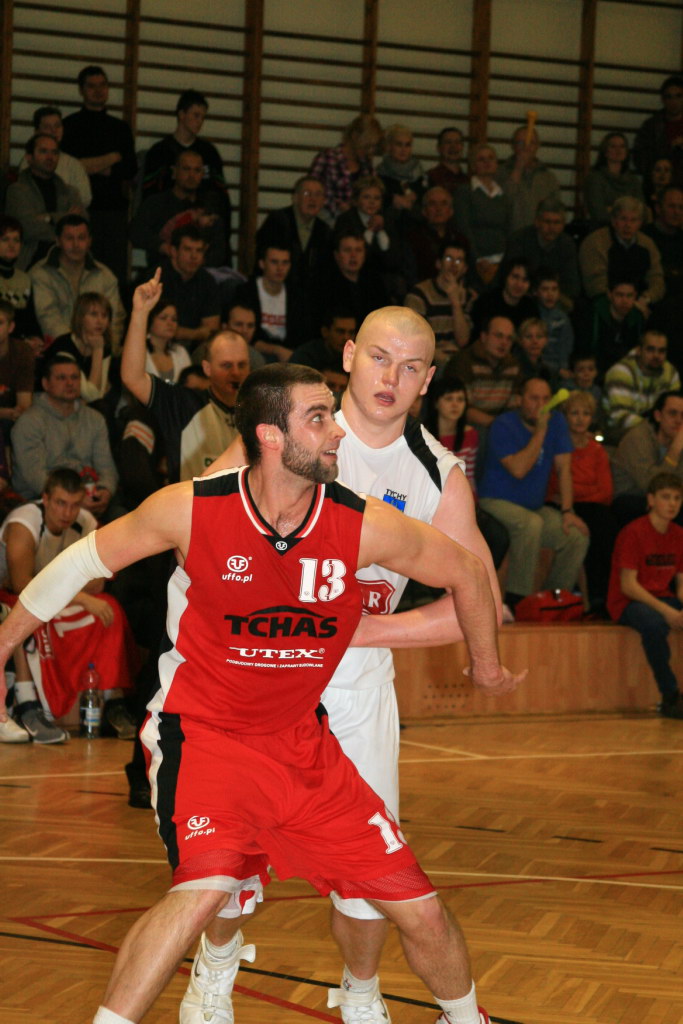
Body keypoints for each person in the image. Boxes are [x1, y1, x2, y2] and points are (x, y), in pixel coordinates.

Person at [0, 359, 522, 1024]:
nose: (337, 430)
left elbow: (468, 572)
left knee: (420, 908)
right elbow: (78, 562)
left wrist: (486, 666)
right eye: (319, 417)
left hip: (303, 744)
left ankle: (465, 1017)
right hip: (203, 736)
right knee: (205, 890)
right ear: (271, 436)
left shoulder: (361, 524)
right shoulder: (192, 509)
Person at [199, 304, 512, 1024]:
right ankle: (214, 971)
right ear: (347, 355)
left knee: (370, 873)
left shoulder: (437, 474)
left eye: (409, 366)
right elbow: (197, 528)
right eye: (378, 357)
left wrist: (365, 632)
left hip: (355, 685)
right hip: (256, 676)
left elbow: (480, 604)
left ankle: (361, 993)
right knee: (229, 856)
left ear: (428, 380)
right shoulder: (284, 427)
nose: (390, 377)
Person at [0, 467, 136, 742]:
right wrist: (79, 595)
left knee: (109, 608)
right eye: (61, 503)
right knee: (27, 612)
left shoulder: (85, 522)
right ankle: (29, 703)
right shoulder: (24, 522)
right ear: (45, 499)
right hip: (13, 596)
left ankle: (113, 700)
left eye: (74, 505)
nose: (67, 513)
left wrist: (75, 591)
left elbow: (98, 582)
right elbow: (21, 584)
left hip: (55, 597)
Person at [121, 268, 249, 481]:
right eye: (226, 366)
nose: (235, 373)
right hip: (191, 502)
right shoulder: (183, 404)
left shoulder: (259, 413)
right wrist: (140, 313)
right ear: (207, 369)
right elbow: (132, 378)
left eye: (242, 365)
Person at [478, 376, 590, 608]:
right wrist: (540, 432)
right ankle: (518, 601)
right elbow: (519, 470)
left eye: (546, 399)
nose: (541, 405)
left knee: (575, 535)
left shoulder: (557, 421)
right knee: (531, 525)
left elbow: (564, 469)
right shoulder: (503, 425)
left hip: (533, 507)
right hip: (495, 501)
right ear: (519, 399)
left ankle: (555, 600)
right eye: (534, 398)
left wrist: (568, 511)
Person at [607, 472, 683, 719]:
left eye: (677, 498)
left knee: (661, 617)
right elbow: (628, 585)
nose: (672, 504)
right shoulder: (634, 532)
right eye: (665, 497)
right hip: (629, 602)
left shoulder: (679, 534)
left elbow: (681, 584)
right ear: (651, 500)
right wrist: (668, 612)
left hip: (662, 597)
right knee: (654, 624)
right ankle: (670, 695)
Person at [11, 354, 118, 516]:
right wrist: (74, 500)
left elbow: (106, 466)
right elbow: (35, 477)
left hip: (88, 494)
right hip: (41, 500)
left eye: (74, 377)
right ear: (45, 384)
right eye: (61, 378)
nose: (69, 383)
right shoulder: (29, 422)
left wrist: (105, 490)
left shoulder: (95, 419)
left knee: (123, 515)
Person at [60, 65, 137, 284]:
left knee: (113, 274)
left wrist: (91, 165)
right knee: (77, 271)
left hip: (113, 211)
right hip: (79, 210)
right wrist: (112, 157)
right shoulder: (69, 126)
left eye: (103, 85)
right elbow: (69, 166)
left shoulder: (120, 128)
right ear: (81, 90)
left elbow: (130, 169)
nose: (98, 91)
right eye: (92, 86)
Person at [546, 390, 618, 613]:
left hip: (590, 506)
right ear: (565, 416)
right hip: (564, 507)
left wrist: (574, 491)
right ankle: (577, 597)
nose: (580, 419)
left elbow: (606, 493)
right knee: (586, 528)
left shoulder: (597, 450)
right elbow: (554, 485)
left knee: (606, 527)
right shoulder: (557, 445)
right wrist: (581, 492)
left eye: (585, 414)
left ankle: (601, 597)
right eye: (574, 413)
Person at [141, 89, 231, 262]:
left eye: (203, 117)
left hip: (203, 236)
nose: (200, 121)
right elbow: (148, 197)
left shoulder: (209, 153)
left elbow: (222, 199)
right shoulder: (159, 152)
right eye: (196, 115)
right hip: (168, 235)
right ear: (181, 115)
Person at [29, 214, 125, 347]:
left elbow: (114, 319)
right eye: (69, 238)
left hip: (99, 349)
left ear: (89, 241)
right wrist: (75, 347)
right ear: (58, 240)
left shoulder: (105, 276)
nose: (76, 245)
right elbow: (48, 318)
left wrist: (105, 349)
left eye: (81, 238)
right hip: (58, 350)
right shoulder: (40, 274)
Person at [129, 149, 227, 269]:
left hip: (200, 273)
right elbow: (136, 232)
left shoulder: (210, 206)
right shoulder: (156, 203)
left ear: (202, 174)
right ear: (174, 172)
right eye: (186, 169)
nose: (191, 175)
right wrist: (162, 246)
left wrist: (195, 263)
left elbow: (218, 251)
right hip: (162, 270)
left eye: (197, 170)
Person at [5, 133, 83, 269]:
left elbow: (82, 225)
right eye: (43, 151)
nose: (50, 157)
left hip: (67, 262)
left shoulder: (70, 192)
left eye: (54, 152)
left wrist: (48, 218)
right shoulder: (17, 190)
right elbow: (27, 228)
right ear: (29, 157)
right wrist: (64, 222)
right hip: (30, 262)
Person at [578, 196, 665, 312]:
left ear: (640, 223)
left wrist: (646, 298)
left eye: (633, 220)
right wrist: (622, 302)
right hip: (604, 302)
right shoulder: (595, 242)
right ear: (614, 221)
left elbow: (656, 279)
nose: (628, 225)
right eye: (623, 219)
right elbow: (595, 284)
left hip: (641, 302)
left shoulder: (647, 244)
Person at [611, 390, 683, 526]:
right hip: (632, 498)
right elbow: (651, 485)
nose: (679, 421)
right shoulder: (637, 438)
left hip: (665, 499)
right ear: (658, 416)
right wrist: (674, 451)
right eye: (672, 413)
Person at [255, 176, 332, 291]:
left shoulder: (324, 231)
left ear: (323, 201)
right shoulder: (277, 221)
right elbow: (263, 263)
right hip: (277, 290)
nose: (313, 199)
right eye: (307, 193)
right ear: (295, 198)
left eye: (318, 194)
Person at [444, 315, 521, 430]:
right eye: (499, 336)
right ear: (484, 337)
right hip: (465, 426)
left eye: (509, 338)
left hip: (500, 425)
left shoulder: (513, 365)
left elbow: (514, 405)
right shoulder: (463, 362)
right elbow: (461, 408)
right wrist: (498, 425)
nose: (504, 343)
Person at [603, 330, 680, 443]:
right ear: (639, 350)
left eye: (661, 351)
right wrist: (657, 428)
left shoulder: (670, 373)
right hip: (618, 435)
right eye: (650, 349)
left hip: (658, 432)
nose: (656, 355)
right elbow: (620, 416)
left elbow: (677, 409)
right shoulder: (621, 372)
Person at [503, 198, 581, 306]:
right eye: (547, 222)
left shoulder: (567, 244)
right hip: (522, 297)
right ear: (537, 222)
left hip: (555, 300)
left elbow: (571, 284)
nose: (552, 227)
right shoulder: (519, 240)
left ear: (563, 225)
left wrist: (551, 295)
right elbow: (509, 278)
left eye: (557, 222)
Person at [404, 241, 473, 363]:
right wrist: (436, 354)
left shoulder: (467, 297)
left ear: (465, 268)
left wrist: (455, 302)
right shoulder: (419, 294)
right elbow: (412, 339)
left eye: (459, 261)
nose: (453, 265)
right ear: (438, 263)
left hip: (456, 358)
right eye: (448, 258)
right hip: (427, 357)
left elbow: (463, 341)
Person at [454, 144, 512, 286]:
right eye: (481, 159)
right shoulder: (465, 192)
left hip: (501, 260)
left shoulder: (503, 195)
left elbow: (508, 229)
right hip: (476, 261)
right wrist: (477, 259)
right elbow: (463, 227)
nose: (487, 162)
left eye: (491, 158)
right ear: (473, 165)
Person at [156, 224, 221, 350]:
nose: (194, 256)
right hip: (159, 346)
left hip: (197, 348)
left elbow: (211, 330)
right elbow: (157, 328)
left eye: (199, 250)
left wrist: (180, 332)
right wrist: (197, 333)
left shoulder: (208, 281)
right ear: (173, 251)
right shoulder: (156, 279)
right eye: (187, 249)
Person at [309, 114, 383, 223]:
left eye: (373, 147)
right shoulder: (327, 158)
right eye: (367, 146)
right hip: (328, 218)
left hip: (358, 221)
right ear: (354, 136)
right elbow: (312, 192)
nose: (370, 151)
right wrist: (338, 206)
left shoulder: (367, 166)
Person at [19, 106, 92, 208]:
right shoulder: (31, 160)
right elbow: (25, 196)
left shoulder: (73, 163)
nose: (54, 131)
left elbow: (85, 198)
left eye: (57, 126)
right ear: (37, 132)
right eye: (47, 127)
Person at [496, 125, 562, 232]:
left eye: (531, 143)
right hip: (509, 235)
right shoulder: (500, 172)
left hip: (539, 235)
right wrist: (518, 168)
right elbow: (504, 202)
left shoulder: (548, 178)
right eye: (521, 143)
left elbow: (555, 211)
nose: (526, 148)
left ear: (538, 146)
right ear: (513, 146)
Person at [50, 291, 113, 403]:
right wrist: (97, 350)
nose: (100, 321)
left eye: (104, 316)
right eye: (93, 314)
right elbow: (91, 395)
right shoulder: (64, 346)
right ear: (80, 317)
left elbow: (99, 394)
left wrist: (99, 349)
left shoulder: (104, 345)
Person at [583, 132, 645, 227]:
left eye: (622, 146)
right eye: (613, 146)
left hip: (632, 230)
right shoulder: (595, 179)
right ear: (605, 151)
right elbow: (598, 213)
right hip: (602, 229)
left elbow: (641, 212)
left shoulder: (634, 181)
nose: (618, 150)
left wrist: (612, 209)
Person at [632, 75, 683, 188]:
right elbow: (639, 159)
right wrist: (668, 150)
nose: (674, 101)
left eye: (678, 96)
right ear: (663, 99)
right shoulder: (651, 126)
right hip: (657, 188)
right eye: (669, 97)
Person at [470, 257, 536, 338]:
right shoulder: (486, 302)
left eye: (525, 280)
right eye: (515, 277)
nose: (519, 284)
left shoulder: (530, 308)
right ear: (505, 277)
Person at [375, 123, 427, 217]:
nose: (403, 150)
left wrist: (417, 197)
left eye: (407, 145)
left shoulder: (420, 174)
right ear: (389, 146)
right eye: (399, 145)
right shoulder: (379, 175)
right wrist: (391, 200)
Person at [533, 268, 574, 379]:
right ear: (536, 292)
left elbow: (565, 348)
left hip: (560, 371)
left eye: (554, 289)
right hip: (537, 368)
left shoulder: (563, 318)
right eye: (545, 289)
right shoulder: (533, 315)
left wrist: (563, 369)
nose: (550, 294)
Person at [142, 297, 190, 383]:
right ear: (150, 321)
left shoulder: (180, 352)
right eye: (163, 318)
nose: (170, 323)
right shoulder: (139, 352)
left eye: (174, 319)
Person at [426, 127, 469, 194]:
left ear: (462, 147)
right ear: (439, 148)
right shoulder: (430, 177)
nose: (453, 146)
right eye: (448, 142)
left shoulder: (468, 180)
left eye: (457, 142)